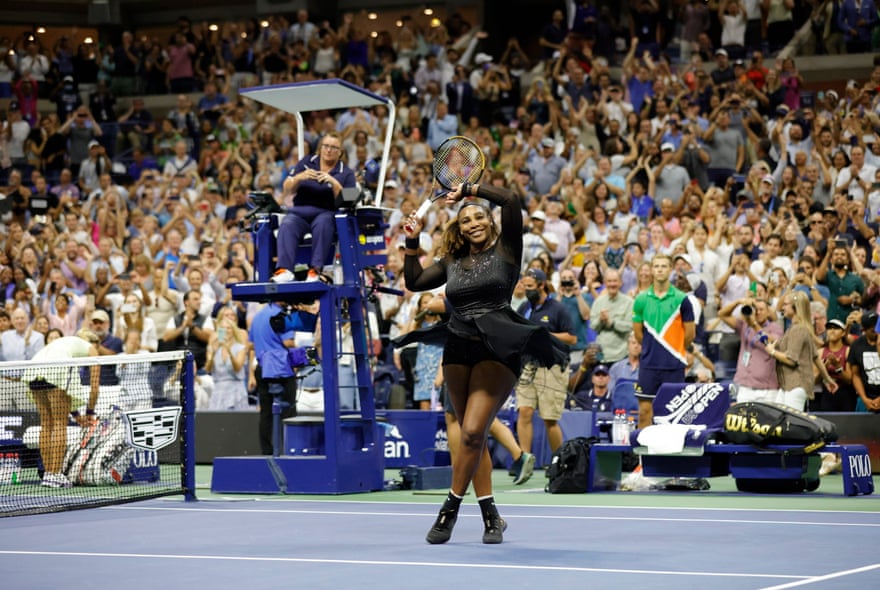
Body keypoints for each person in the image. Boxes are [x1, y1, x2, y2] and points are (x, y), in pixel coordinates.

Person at [399, 179, 567, 545]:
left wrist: (471, 190)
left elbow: (510, 198)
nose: (473, 222)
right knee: (471, 439)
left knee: (474, 432)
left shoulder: (508, 250)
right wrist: (412, 241)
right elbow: (414, 281)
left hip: (498, 347)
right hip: (458, 347)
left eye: (479, 217)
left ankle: (450, 509)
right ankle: (492, 516)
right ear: (458, 229)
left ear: (490, 223)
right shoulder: (453, 262)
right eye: (465, 221)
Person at [273, 132, 356, 282]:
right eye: (326, 146)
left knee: (323, 223)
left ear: (340, 152)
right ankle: (284, 270)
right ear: (320, 148)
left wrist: (334, 183)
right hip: (300, 212)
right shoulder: (306, 162)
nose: (329, 150)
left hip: (326, 212)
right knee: (287, 224)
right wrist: (299, 177)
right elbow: (286, 189)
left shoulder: (346, 173)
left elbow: (348, 202)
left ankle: (315, 270)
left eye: (333, 147)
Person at [24, 328, 101, 488]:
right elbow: (94, 388)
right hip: (56, 367)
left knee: (46, 423)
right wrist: (90, 413)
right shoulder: (91, 349)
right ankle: (56, 474)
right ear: (94, 343)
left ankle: (48, 474)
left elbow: (64, 392)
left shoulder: (64, 343)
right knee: (60, 423)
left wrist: (76, 414)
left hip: (34, 368)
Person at [514, 268, 577, 459]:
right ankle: (524, 459)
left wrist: (545, 335)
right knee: (524, 411)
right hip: (528, 366)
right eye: (525, 286)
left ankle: (558, 460)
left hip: (552, 367)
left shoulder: (558, 309)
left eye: (531, 286)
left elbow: (572, 338)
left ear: (542, 285)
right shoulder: (524, 308)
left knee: (549, 419)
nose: (527, 290)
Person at [632, 254, 695, 429]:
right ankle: (642, 457)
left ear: (670, 269)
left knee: (673, 415)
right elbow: (638, 334)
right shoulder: (641, 299)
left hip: (674, 366)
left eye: (664, 266)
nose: (660, 269)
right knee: (644, 412)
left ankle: (671, 457)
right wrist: (654, 348)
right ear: (652, 270)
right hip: (648, 365)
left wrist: (672, 348)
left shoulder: (682, 299)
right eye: (656, 266)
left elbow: (690, 334)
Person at [765, 291, 838, 411]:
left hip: (796, 385)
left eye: (786, 304)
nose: (783, 307)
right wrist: (827, 379)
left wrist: (772, 352)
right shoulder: (801, 328)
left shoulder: (798, 329)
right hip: (789, 385)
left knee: (791, 423)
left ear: (795, 307)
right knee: (779, 419)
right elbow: (815, 357)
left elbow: (791, 360)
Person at [248, 302, 300, 455]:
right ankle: (288, 450)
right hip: (280, 367)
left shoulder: (257, 316)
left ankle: (267, 452)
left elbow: (251, 343)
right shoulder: (281, 316)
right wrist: (301, 353)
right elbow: (288, 342)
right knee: (288, 410)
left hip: (262, 367)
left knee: (266, 413)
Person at [718, 297, 782, 403]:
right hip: (745, 386)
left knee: (767, 419)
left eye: (762, 310)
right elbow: (722, 314)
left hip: (767, 389)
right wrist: (738, 301)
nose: (758, 312)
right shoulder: (744, 326)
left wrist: (754, 325)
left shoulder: (775, 328)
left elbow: (771, 341)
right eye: (756, 309)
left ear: (768, 313)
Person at [589, 268, 634, 365]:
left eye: (615, 281)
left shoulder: (629, 302)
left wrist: (612, 323)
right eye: (609, 281)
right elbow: (592, 326)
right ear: (605, 283)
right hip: (601, 354)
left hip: (622, 354)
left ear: (621, 283)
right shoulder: (598, 302)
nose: (612, 284)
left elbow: (630, 326)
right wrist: (600, 320)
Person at [847, 311, 880, 414]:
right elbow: (855, 374)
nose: (876, 330)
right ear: (864, 330)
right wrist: (864, 399)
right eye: (872, 329)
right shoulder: (857, 345)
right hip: (866, 399)